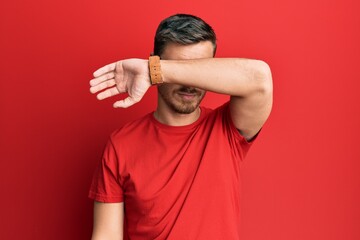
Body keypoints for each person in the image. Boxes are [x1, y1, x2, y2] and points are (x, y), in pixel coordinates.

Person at [88, 13, 273, 240]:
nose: (189, 85)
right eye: (178, 67)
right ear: (154, 59)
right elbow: (106, 236)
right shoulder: (121, 144)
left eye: (197, 70)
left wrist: (156, 71)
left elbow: (260, 78)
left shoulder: (228, 128)